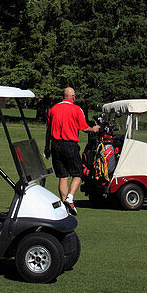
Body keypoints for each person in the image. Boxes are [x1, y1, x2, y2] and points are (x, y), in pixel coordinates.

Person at [44, 86, 99, 215]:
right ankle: (70, 197)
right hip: (70, 144)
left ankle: (66, 207)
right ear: (73, 96)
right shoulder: (76, 109)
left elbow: (48, 130)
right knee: (78, 173)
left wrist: (47, 146)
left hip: (55, 145)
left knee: (63, 176)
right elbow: (84, 127)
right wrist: (94, 129)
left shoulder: (53, 109)